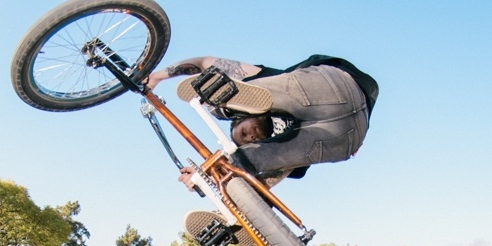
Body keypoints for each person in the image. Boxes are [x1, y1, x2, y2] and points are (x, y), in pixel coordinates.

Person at [147, 54, 377, 183]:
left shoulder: (265, 77)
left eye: (243, 132)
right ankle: (222, 179)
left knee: (247, 88)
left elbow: (204, 63)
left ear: (241, 120)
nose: (250, 136)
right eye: (248, 139)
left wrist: (157, 77)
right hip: (344, 137)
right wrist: (206, 180)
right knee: (247, 163)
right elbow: (270, 180)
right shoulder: (276, 150)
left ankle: (223, 101)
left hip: (332, 88)